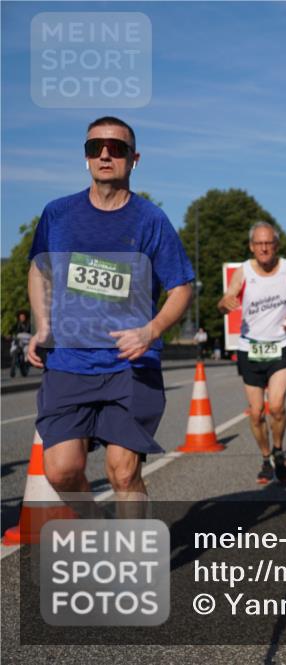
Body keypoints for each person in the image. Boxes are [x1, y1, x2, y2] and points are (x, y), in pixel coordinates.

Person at [26, 116, 193, 516]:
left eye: (116, 148)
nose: (104, 154)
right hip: (69, 361)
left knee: (122, 472)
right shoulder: (58, 214)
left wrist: (150, 331)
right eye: (94, 147)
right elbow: (38, 268)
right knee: (61, 470)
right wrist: (42, 324)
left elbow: (181, 287)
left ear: (133, 159)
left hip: (129, 365)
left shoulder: (151, 220)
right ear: (85, 157)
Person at [218, 221, 286, 485]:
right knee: (256, 412)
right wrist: (225, 304)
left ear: (276, 245)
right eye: (259, 243)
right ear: (251, 246)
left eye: (269, 243)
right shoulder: (243, 272)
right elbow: (223, 303)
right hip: (250, 348)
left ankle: (279, 451)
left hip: (280, 344)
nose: (264, 248)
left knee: (277, 405)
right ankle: (266, 457)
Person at [9, 310, 32, 378]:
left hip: (27, 342)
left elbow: (33, 332)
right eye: (21, 317)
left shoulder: (29, 325)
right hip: (18, 341)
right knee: (14, 348)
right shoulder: (16, 324)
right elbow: (10, 331)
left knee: (27, 351)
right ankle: (14, 365)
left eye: (23, 317)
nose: (22, 318)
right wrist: (9, 335)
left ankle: (27, 363)